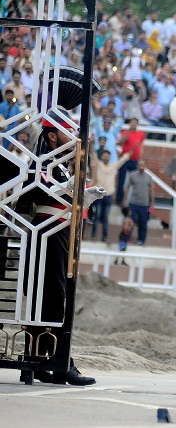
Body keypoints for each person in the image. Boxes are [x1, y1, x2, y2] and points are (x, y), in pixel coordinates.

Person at [17, 110, 104, 385]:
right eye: (67, 132)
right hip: (47, 229)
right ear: (52, 135)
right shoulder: (41, 159)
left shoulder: (63, 163)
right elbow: (32, 193)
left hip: (60, 229)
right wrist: (66, 189)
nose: (73, 137)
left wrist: (81, 196)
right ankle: (59, 363)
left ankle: (39, 361)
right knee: (52, 296)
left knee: (51, 296)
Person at [123, 159, 154, 246]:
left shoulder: (148, 177)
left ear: (145, 166)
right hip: (133, 203)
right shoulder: (133, 175)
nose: (141, 167)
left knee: (143, 223)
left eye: (142, 165)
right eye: (139, 165)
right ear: (137, 166)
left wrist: (152, 203)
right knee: (130, 222)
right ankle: (127, 239)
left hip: (144, 204)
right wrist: (125, 199)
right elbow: (128, 187)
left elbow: (151, 190)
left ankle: (141, 240)